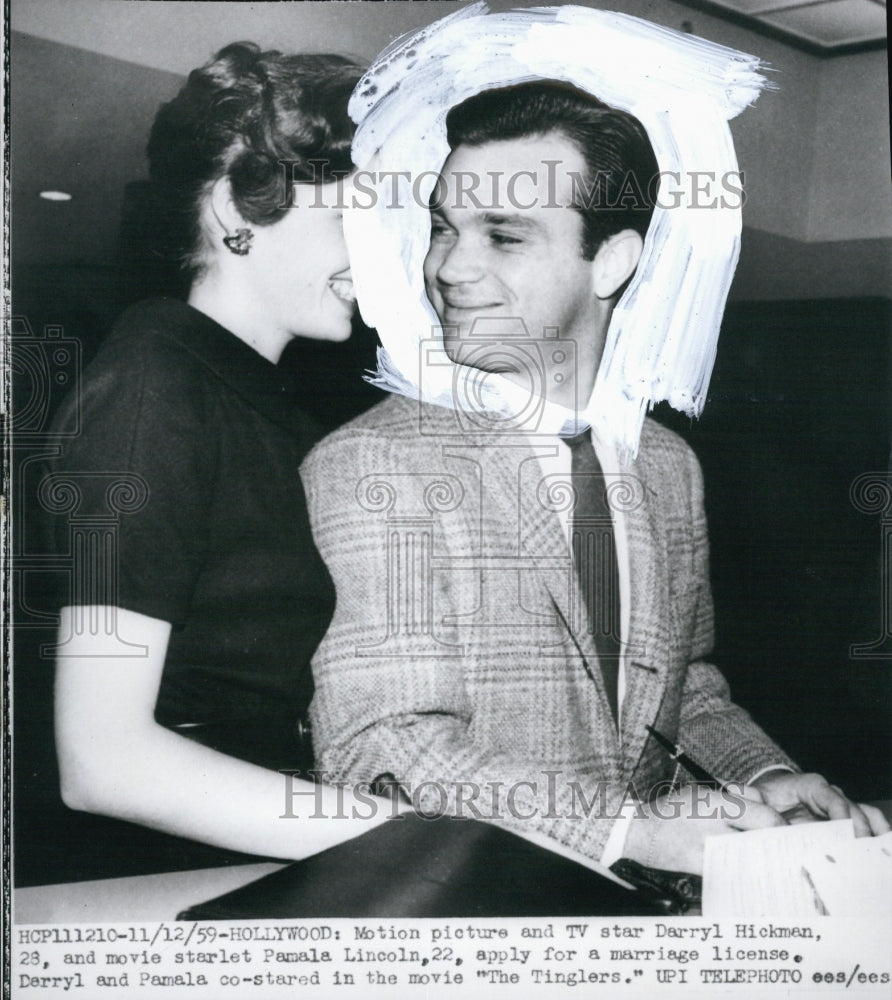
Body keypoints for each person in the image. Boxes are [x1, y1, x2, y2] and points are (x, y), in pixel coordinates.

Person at [302, 80, 888, 876]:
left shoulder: (669, 468)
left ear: (612, 261)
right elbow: (382, 747)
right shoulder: (377, 463)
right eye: (445, 227)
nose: (448, 267)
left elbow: (686, 691)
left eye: (502, 236)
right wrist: (632, 834)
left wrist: (762, 776)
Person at [46, 42, 395, 863]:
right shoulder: (151, 394)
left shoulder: (260, 405)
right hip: (155, 877)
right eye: (352, 216)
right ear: (240, 211)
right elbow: (101, 758)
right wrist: (409, 839)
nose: (380, 253)